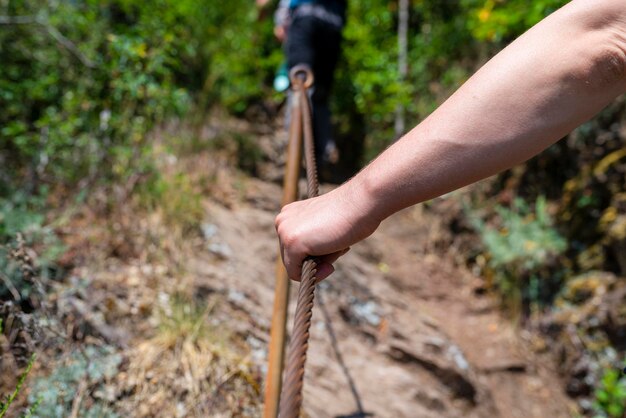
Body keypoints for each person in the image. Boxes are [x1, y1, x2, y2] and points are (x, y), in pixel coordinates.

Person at [275, 0, 626, 281]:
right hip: (327, 26)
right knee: (316, 94)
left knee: (310, 93)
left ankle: (315, 148)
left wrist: (356, 199)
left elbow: (606, 37)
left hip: (305, 23)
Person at [261, 0, 347, 168]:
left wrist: (280, 21)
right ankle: (324, 149)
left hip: (305, 18)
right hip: (334, 24)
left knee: (299, 82)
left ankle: (293, 146)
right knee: (320, 91)